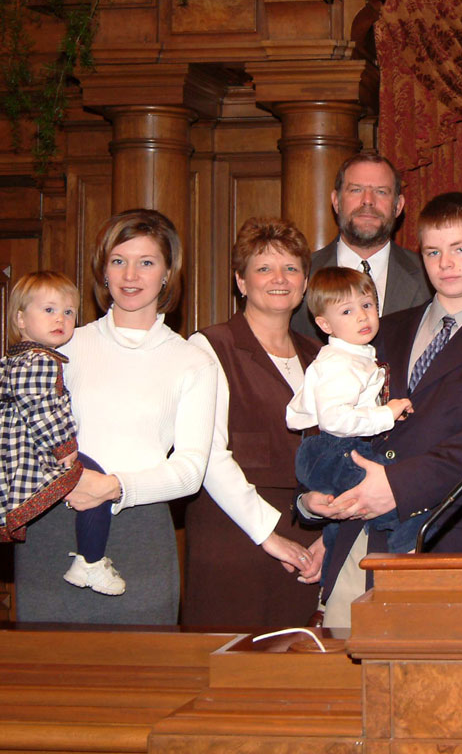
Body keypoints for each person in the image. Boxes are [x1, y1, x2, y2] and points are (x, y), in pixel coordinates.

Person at [300, 192, 462, 627]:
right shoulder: (379, 328)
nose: (446, 263)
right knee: (344, 682)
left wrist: (398, 484)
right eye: (433, 251)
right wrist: (312, 495)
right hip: (357, 536)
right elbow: (330, 411)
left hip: (451, 540)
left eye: (461, 249)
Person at [14, 209, 217, 624]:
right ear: (102, 271)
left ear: (167, 273)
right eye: (118, 261)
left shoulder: (192, 361)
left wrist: (112, 487)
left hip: (141, 531)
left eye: (146, 262)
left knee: (144, 679)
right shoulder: (61, 349)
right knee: (45, 678)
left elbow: (191, 470)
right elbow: (20, 429)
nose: (130, 275)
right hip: (52, 528)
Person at [184, 218, 323, 627]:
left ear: (304, 283)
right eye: (264, 268)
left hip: (309, 539)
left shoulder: (320, 355)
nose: (279, 279)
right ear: (241, 282)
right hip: (234, 537)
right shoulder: (210, 346)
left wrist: (328, 539)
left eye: (291, 269)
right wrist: (269, 535)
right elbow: (208, 456)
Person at [287, 267, 420, 565]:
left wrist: (380, 413)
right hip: (332, 448)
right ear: (324, 324)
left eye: (367, 305)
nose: (362, 316)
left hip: (332, 447)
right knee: (401, 498)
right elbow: (336, 420)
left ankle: (335, 543)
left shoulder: (355, 356)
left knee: (362, 500)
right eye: (347, 311)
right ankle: (406, 553)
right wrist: (385, 414)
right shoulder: (340, 363)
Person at [0, 272, 107, 588]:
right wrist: (64, 446)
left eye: (68, 311)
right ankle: (90, 561)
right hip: (36, 453)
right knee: (97, 484)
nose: (60, 318)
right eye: (48, 310)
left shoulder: (15, 358)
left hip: (18, 452)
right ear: (20, 318)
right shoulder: (41, 361)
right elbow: (42, 409)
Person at [291, 152, 431, 339]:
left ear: (398, 206)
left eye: (381, 191)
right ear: (336, 202)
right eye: (356, 190)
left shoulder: (430, 275)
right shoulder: (300, 275)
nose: (368, 200)